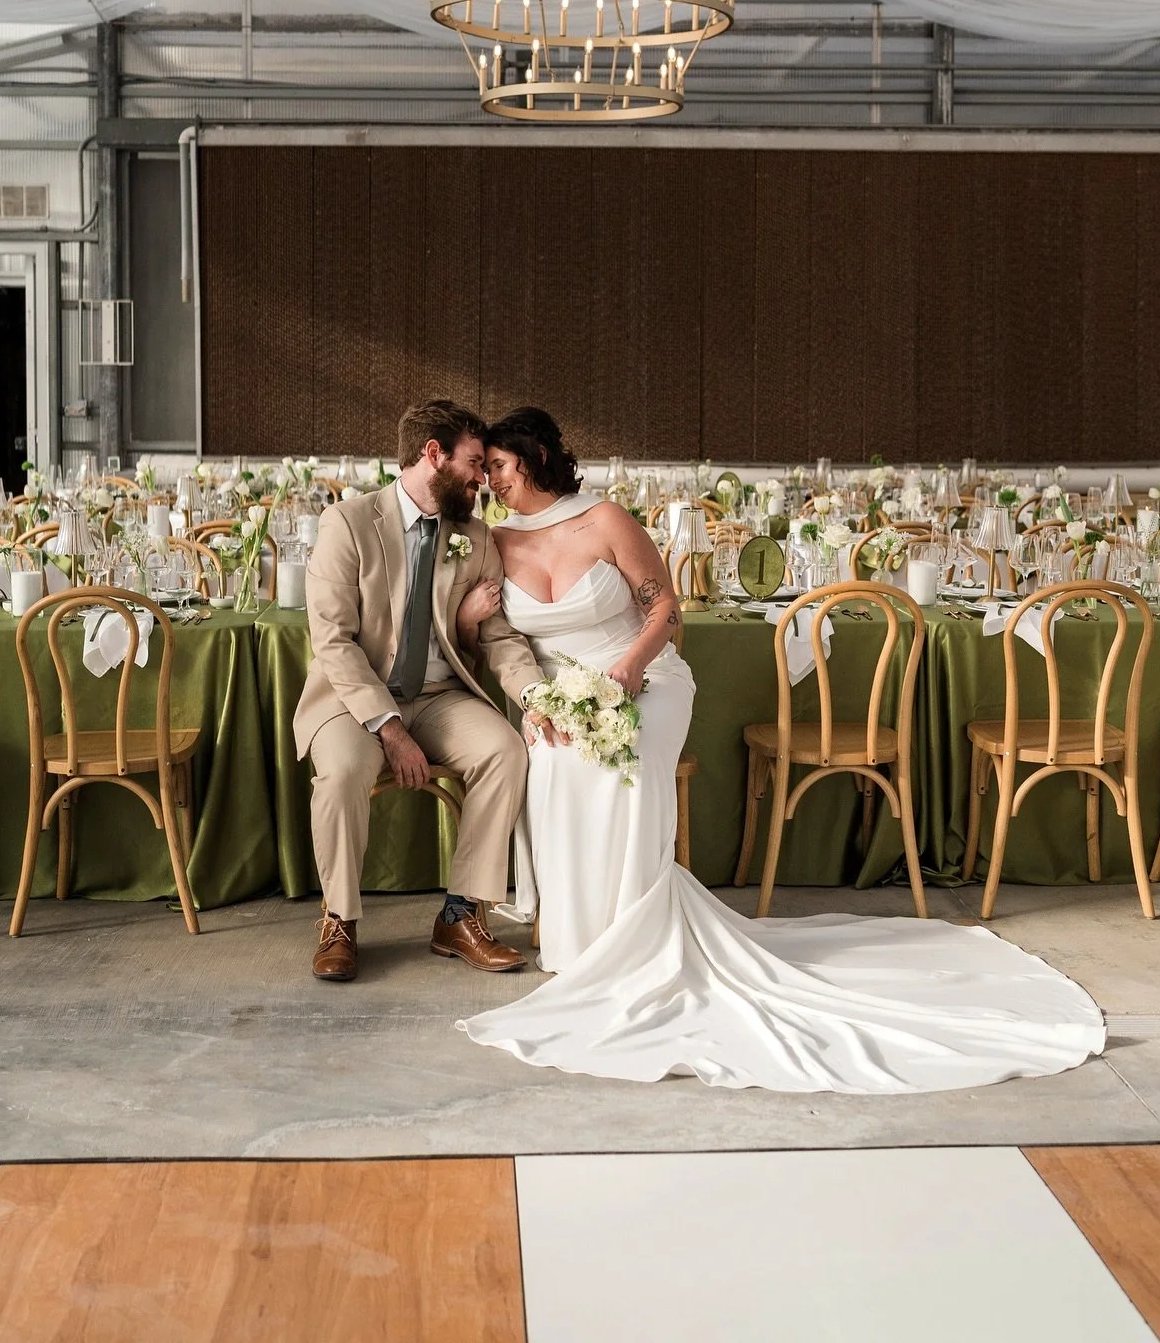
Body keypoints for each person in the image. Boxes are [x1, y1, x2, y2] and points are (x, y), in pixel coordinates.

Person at [459, 408, 1106, 1093]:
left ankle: (635, 945)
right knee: (555, 767)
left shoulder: (606, 520)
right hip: (562, 692)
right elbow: (497, 637)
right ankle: (577, 944)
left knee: (630, 773)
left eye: (498, 465)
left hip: (645, 678)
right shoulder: (492, 540)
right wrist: (533, 692)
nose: (489, 479)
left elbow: (666, 611)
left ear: (534, 458)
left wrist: (628, 669)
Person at [296, 399, 543, 983]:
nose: (484, 479)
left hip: (437, 696)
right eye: (475, 463)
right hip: (353, 700)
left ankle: (460, 916)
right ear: (433, 455)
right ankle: (339, 921)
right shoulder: (349, 523)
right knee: (342, 774)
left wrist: (535, 697)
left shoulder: (475, 537)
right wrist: (390, 730)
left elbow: (500, 634)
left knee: (505, 750)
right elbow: (333, 642)